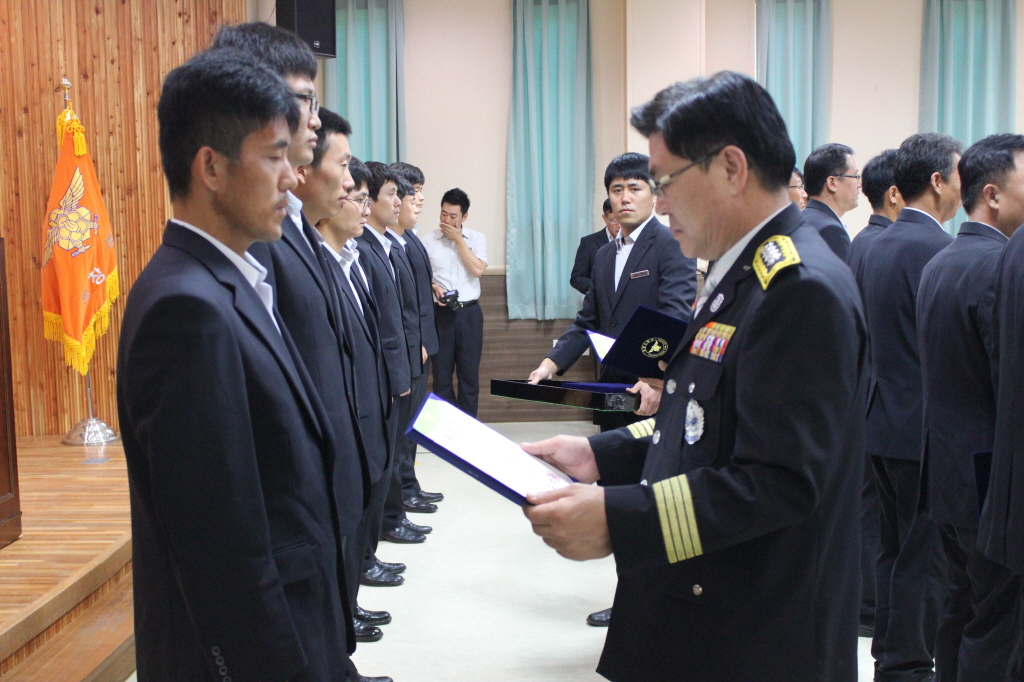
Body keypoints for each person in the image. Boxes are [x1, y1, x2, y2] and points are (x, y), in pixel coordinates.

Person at [522, 71, 866, 682]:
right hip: (707, 601)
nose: (658, 204)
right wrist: (600, 454)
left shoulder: (797, 288)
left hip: (754, 629)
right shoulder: (739, 272)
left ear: (731, 168)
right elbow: (700, 419)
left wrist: (619, 520)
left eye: (665, 182)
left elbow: (779, 482)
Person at [119, 48, 352, 682]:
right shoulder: (185, 309)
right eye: (273, 157)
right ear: (212, 167)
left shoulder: (229, 279)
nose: (291, 179)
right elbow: (219, 547)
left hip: (301, 624)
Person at [213, 27, 391, 682]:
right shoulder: (255, 236)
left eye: (313, 103)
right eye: (301, 100)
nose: (311, 120)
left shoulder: (296, 228)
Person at [917, 134, 1024, 682]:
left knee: (959, 608)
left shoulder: (942, 260)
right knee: (996, 623)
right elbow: (1008, 383)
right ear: (993, 195)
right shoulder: (1000, 266)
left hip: (947, 470)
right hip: (990, 482)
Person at [861, 132, 962, 682]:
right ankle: (907, 665)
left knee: (893, 548)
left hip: (879, 418)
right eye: (960, 175)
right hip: (920, 426)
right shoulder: (938, 250)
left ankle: (889, 653)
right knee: (923, 557)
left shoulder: (875, 243)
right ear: (938, 182)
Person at [527, 153, 697, 429]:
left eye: (635, 188)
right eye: (617, 190)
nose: (625, 198)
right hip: (610, 384)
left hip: (652, 389)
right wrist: (550, 364)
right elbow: (588, 320)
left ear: (654, 194)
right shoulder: (604, 255)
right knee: (608, 454)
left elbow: (674, 318)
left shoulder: (673, 244)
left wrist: (654, 381)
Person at [315, 156, 406, 643]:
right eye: (358, 197)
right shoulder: (320, 265)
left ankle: (349, 608)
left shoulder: (352, 257)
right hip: (344, 417)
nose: (365, 208)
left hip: (371, 406)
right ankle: (342, 617)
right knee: (345, 523)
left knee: (361, 512)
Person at [846, 147, 903, 638]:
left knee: (868, 507)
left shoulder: (863, 241)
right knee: (878, 514)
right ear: (895, 193)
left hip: (864, 394)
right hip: (886, 396)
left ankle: (865, 599)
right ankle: (869, 603)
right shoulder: (890, 245)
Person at [356, 162, 424, 561]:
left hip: (401, 364)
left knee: (397, 450)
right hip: (383, 372)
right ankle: (384, 528)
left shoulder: (386, 245)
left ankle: (390, 521)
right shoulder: (365, 249)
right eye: (391, 195)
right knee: (385, 458)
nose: (399, 202)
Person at [389, 162, 445, 513]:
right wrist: (419, 342)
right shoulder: (391, 241)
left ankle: (410, 484)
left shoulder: (409, 237)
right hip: (412, 346)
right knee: (402, 427)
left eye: (422, 191)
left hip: (423, 342)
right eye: (415, 191)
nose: (421, 198)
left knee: (412, 425)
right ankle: (403, 490)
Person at [424, 188, 488, 417]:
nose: (447, 220)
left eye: (453, 216)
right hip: (440, 314)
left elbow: (477, 270)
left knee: (468, 377)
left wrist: (459, 240)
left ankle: (468, 429)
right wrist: (433, 287)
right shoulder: (428, 241)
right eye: (443, 214)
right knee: (441, 377)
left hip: (469, 315)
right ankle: (446, 429)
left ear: (464, 217)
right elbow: (422, 279)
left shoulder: (477, 239)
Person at [801, 143, 860, 260]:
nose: (859, 184)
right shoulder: (830, 231)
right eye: (855, 176)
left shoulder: (801, 218)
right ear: (832, 183)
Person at [570, 198, 620, 295]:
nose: (619, 225)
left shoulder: (633, 241)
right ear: (604, 218)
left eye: (622, 219)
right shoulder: (589, 243)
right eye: (614, 220)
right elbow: (577, 278)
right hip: (600, 300)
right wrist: (599, 289)